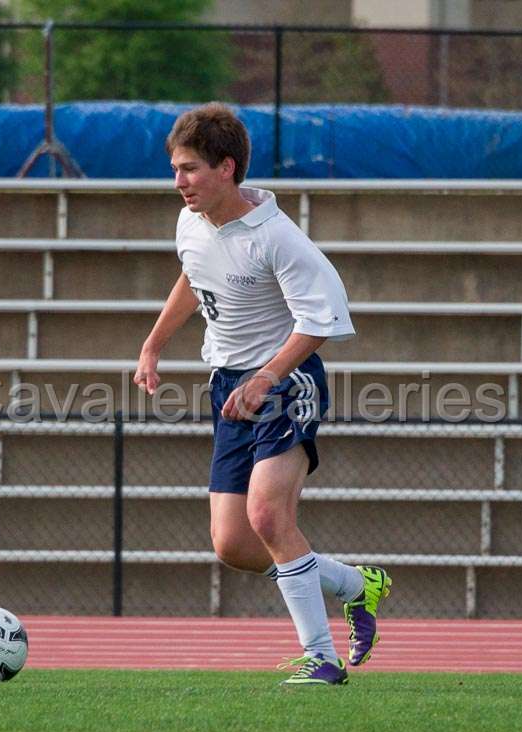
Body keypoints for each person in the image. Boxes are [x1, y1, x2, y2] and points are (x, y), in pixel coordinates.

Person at [134, 103, 391, 686]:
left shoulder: (278, 237)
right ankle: (356, 585)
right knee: (234, 544)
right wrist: (152, 345)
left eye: (191, 169)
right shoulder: (191, 222)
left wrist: (267, 376)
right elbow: (194, 277)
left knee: (268, 515)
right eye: (175, 168)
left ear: (227, 169)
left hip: (284, 381)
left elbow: (321, 321)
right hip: (228, 386)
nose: (179, 182)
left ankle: (321, 659)